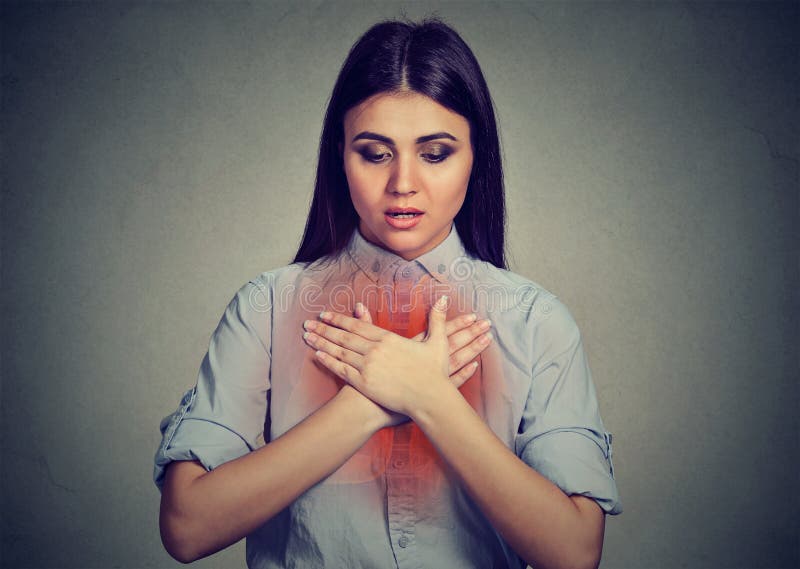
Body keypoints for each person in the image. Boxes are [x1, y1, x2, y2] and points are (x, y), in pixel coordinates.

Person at [154, 18, 621, 569]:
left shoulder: (537, 322)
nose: (403, 183)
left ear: (477, 156)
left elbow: (574, 552)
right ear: (340, 156)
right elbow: (187, 527)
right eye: (375, 153)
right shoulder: (267, 308)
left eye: (435, 153)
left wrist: (429, 396)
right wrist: (370, 402)